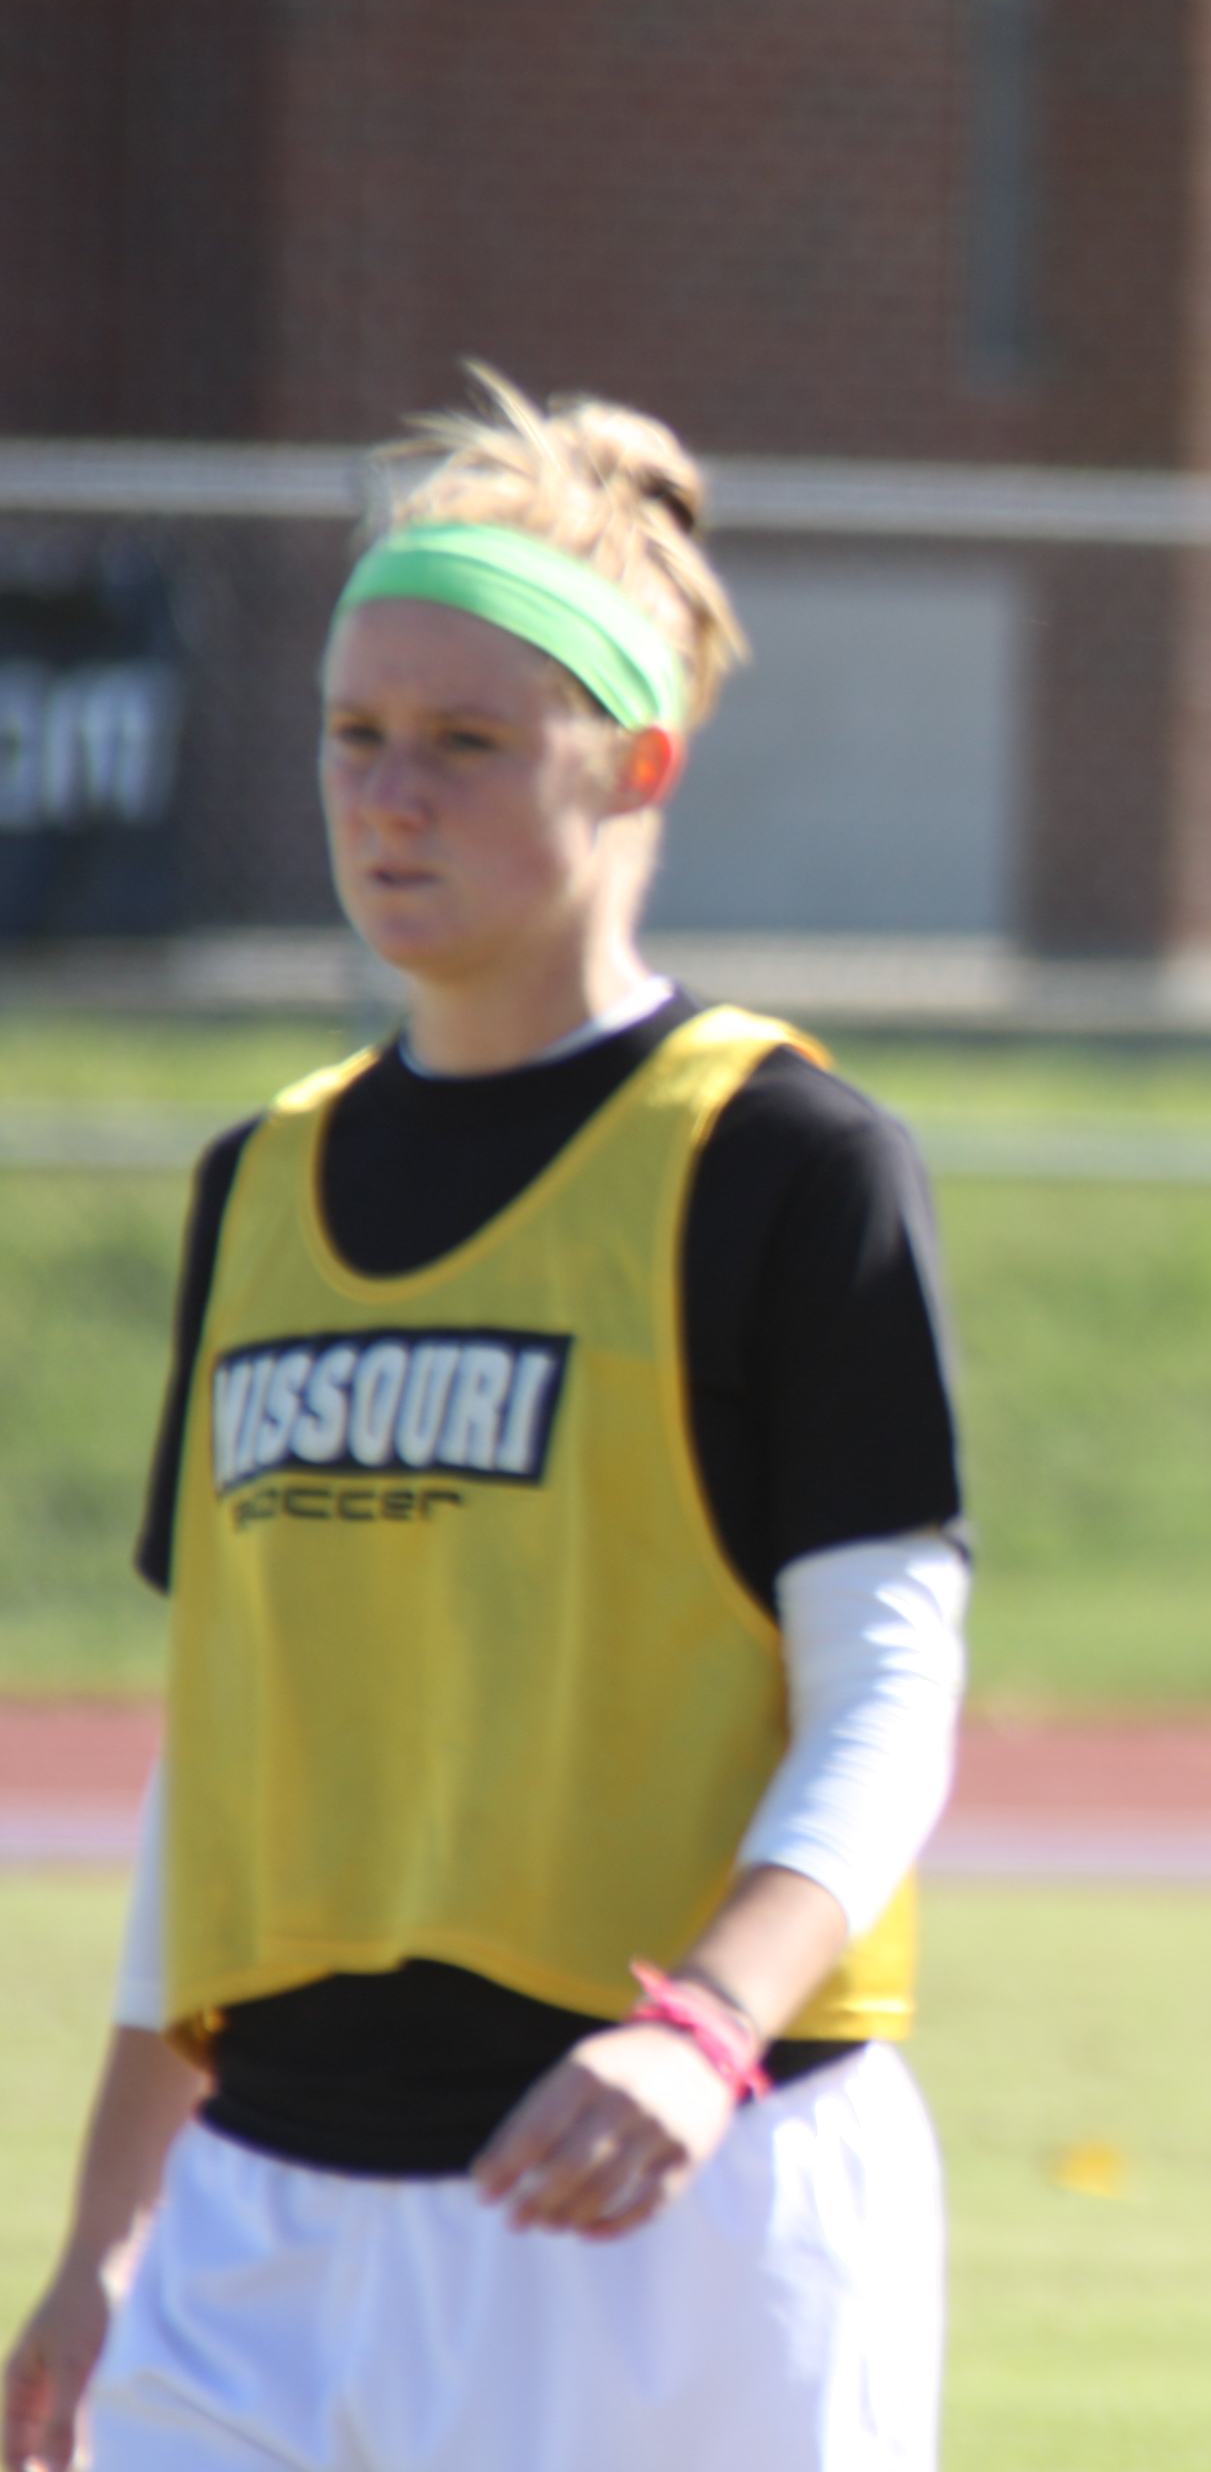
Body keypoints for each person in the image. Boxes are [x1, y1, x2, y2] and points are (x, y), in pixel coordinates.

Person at [1, 371, 968, 2472]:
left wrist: (705, 2027)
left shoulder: (779, 1160)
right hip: (260, 2217)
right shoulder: (260, 1182)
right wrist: (107, 2223)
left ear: (638, 763)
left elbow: (891, 1696)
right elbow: (227, 1759)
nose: (389, 796)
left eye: (466, 742)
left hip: (658, 2200)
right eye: (353, 734)